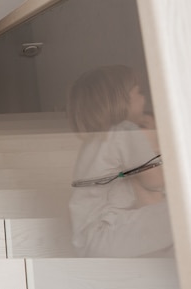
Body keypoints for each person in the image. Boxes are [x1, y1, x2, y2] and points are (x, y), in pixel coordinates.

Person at [66, 65, 173, 258]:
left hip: (89, 239)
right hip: (106, 233)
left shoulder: (98, 140)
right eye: (138, 93)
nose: (144, 99)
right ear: (121, 101)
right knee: (180, 213)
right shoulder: (126, 131)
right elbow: (156, 180)